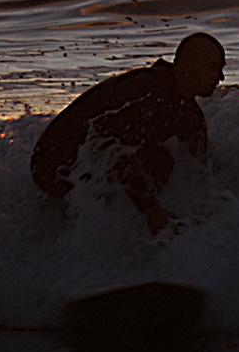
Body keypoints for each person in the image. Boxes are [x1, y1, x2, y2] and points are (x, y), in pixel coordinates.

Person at [30, 31, 226, 233]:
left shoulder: (188, 112)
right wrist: (151, 210)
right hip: (51, 164)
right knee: (158, 160)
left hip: (85, 161)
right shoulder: (151, 93)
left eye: (221, 69)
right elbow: (116, 152)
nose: (220, 77)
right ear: (187, 66)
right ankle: (94, 228)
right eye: (212, 67)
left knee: (160, 162)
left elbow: (202, 164)